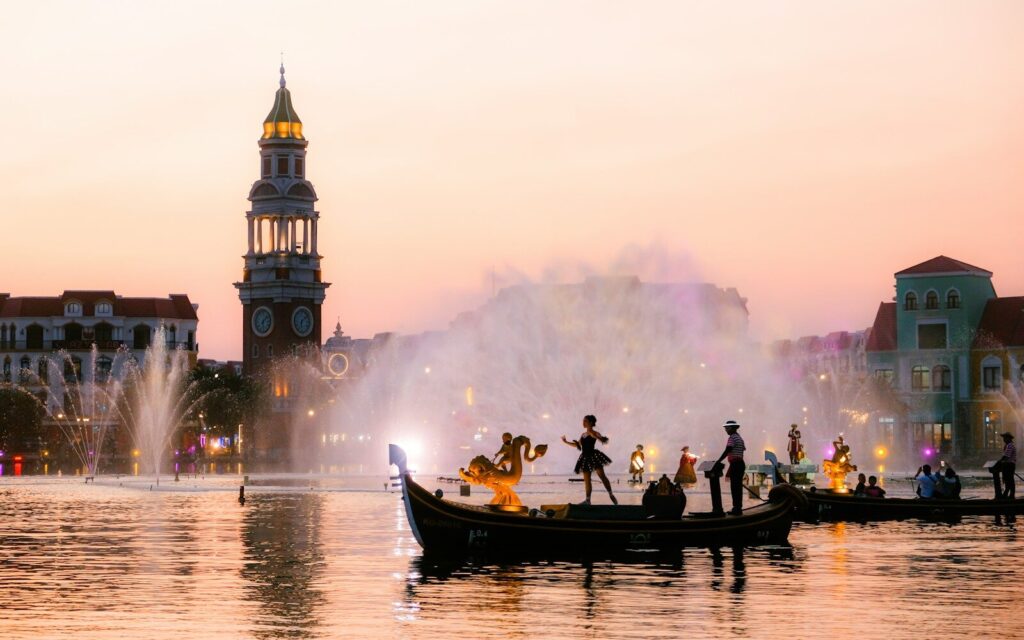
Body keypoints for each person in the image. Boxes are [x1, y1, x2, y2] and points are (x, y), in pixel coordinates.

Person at [561, 415, 617, 505]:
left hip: (594, 456)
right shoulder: (583, 435)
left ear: (591, 423)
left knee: (602, 476)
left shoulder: (595, 433)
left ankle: (611, 494)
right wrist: (566, 442)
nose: (583, 423)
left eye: (585, 421)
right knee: (587, 480)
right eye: (583, 421)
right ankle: (588, 500)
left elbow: (604, 441)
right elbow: (577, 445)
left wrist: (594, 435)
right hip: (585, 457)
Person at [714, 419, 746, 515]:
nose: (726, 430)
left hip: (736, 465)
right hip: (740, 464)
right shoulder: (739, 438)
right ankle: (738, 507)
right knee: (737, 487)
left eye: (727, 428)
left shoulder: (732, 438)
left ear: (732, 428)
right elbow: (742, 449)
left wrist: (718, 461)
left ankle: (736, 508)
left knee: (735, 487)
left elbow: (728, 449)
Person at [997, 432, 1016, 499]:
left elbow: (1006, 456)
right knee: (1008, 480)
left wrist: (999, 461)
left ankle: (1011, 495)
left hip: (1009, 465)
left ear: (1008, 438)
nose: (1004, 439)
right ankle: (1006, 494)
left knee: (1010, 480)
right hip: (1007, 465)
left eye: (1005, 438)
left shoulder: (1010, 445)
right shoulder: (1007, 445)